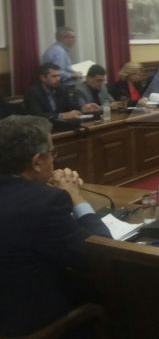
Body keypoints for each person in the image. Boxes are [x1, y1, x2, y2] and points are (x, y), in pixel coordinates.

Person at [0, 115, 111, 336]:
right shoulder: (45, 203)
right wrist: (74, 195)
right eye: (52, 153)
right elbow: (101, 252)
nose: (54, 160)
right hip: (30, 325)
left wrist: (40, 187)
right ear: (36, 162)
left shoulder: (38, 199)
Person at [23, 63, 99, 122]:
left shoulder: (61, 89)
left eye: (59, 76)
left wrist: (83, 108)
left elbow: (70, 107)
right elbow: (37, 115)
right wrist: (62, 115)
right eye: (54, 76)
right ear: (43, 78)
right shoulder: (32, 93)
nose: (58, 79)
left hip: (62, 127)